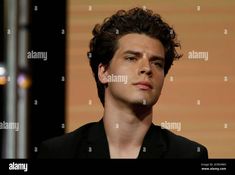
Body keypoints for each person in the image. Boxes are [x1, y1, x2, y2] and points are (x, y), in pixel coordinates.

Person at [38, 7, 208, 158]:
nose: (147, 69)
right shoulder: (59, 153)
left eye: (157, 63)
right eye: (131, 58)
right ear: (104, 72)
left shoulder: (188, 155)